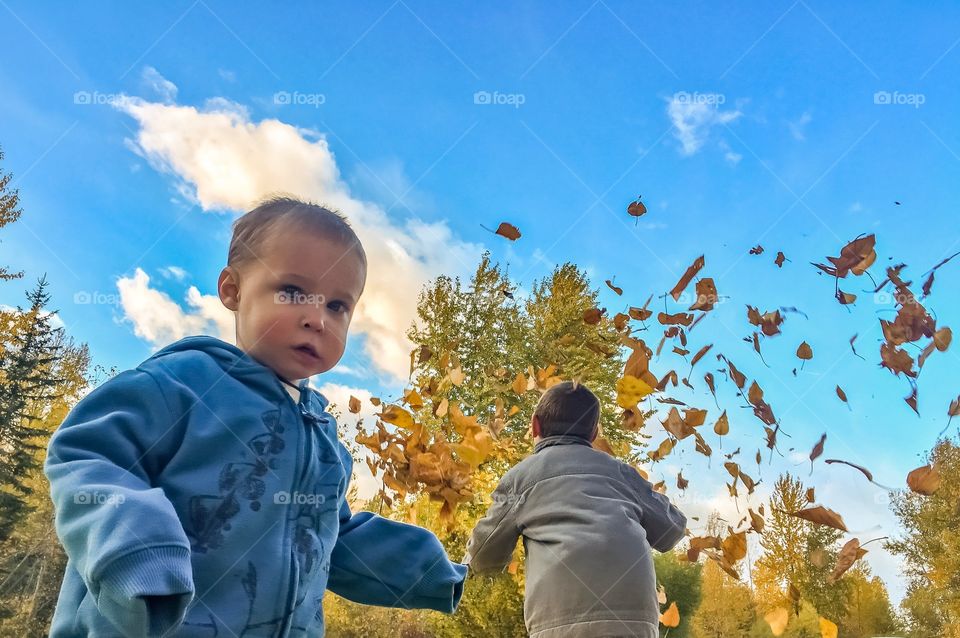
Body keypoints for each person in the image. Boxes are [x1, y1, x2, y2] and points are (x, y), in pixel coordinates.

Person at [44, 196, 466, 637]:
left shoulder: (324, 436)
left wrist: (428, 570)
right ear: (232, 290)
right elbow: (89, 455)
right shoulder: (183, 382)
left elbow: (329, 538)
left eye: (337, 306)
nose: (316, 318)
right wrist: (137, 550)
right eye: (292, 292)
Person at [464, 380, 687, 638]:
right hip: (634, 624)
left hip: (560, 625)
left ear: (535, 425)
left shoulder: (521, 478)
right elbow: (672, 530)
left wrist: (469, 566)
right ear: (593, 434)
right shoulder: (622, 473)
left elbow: (483, 554)